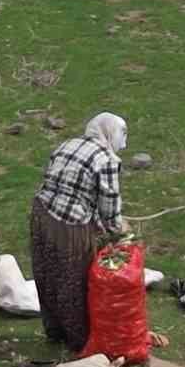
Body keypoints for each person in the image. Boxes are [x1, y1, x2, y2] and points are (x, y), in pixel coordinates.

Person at [30, 113, 129, 352]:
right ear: (110, 134)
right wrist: (120, 230)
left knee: (47, 273)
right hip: (69, 226)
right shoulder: (106, 160)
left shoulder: (68, 144)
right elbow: (109, 206)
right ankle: (78, 340)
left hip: (41, 214)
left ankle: (54, 331)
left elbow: (64, 185)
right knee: (73, 280)